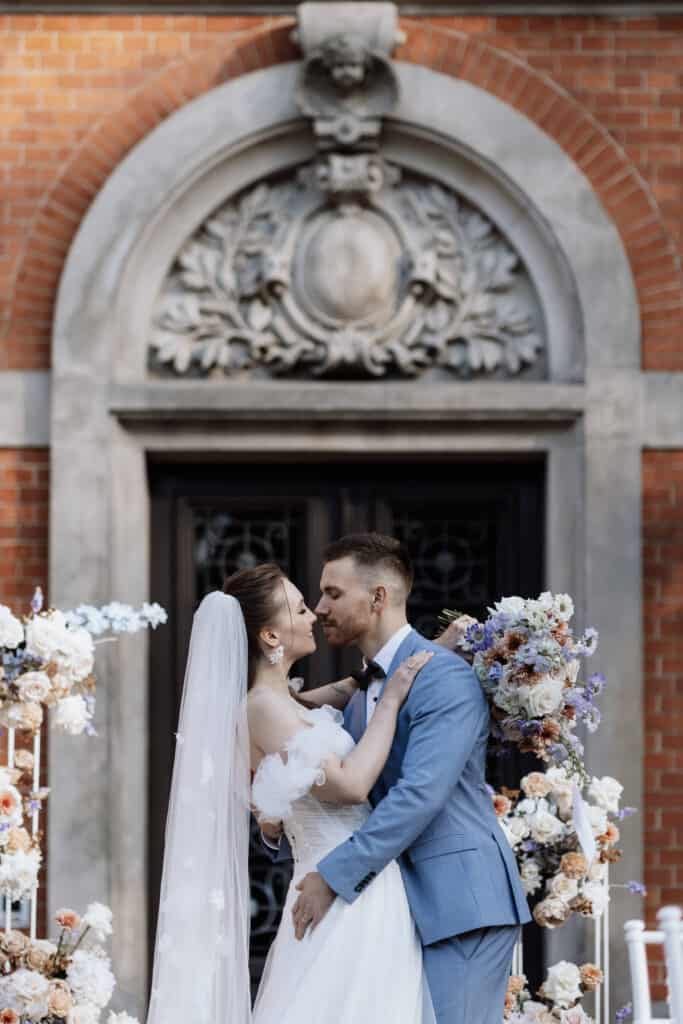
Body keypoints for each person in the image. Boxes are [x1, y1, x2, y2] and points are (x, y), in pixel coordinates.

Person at [146, 563, 436, 1024]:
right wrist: (395, 698)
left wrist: (427, 654)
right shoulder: (262, 708)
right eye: (300, 609)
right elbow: (350, 785)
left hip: (352, 882)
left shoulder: (282, 704)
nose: (312, 615)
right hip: (343, 890)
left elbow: (344, 691)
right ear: (271, 637)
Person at [287, 533, 531, 1024]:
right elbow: (278, 711)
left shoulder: (445, 678)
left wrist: (332, 875)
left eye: (333, 593)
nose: (319, 607)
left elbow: (420, 796)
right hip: (400, 906)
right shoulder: (364, 693)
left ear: (377, 597)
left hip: (461, 904)